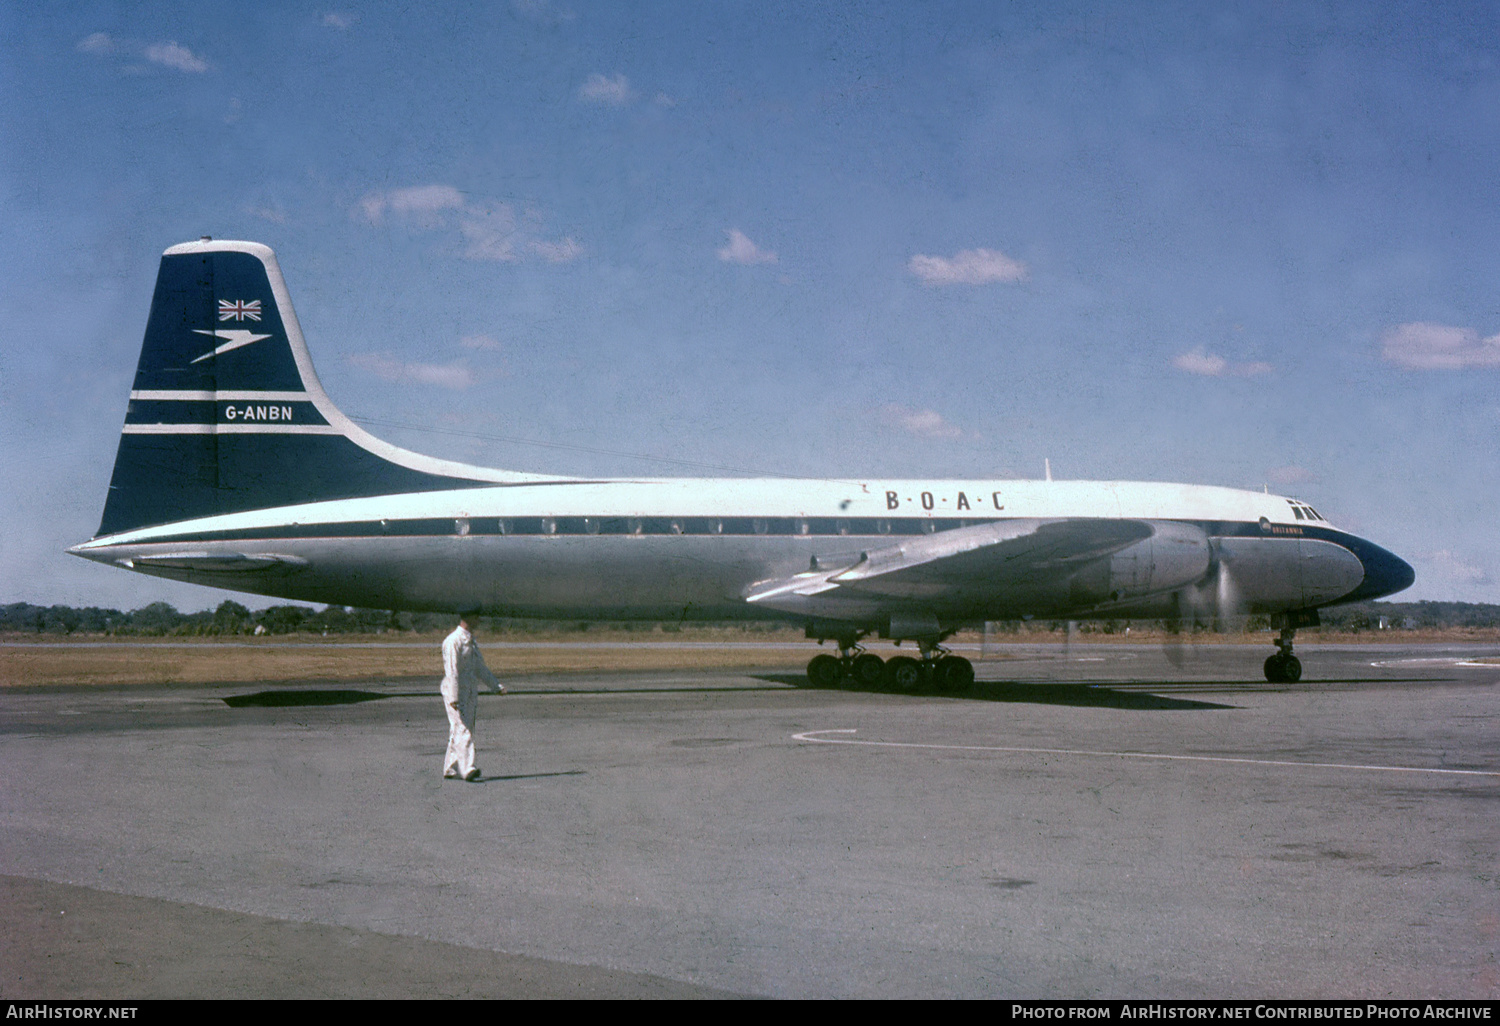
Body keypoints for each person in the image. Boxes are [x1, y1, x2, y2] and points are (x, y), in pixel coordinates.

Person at [440, 615, 505, 781]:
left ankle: (450, 767)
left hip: (469, 691)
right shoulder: (453, 641)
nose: (479, 621)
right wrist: (453, 696)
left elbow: (479, 667)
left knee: (459, 728)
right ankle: (467, 768)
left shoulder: (470, 641)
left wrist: (496, 686)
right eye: (476, 618)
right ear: (468, 618)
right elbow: (451, 670)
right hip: (455, 692)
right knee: (463, 729)